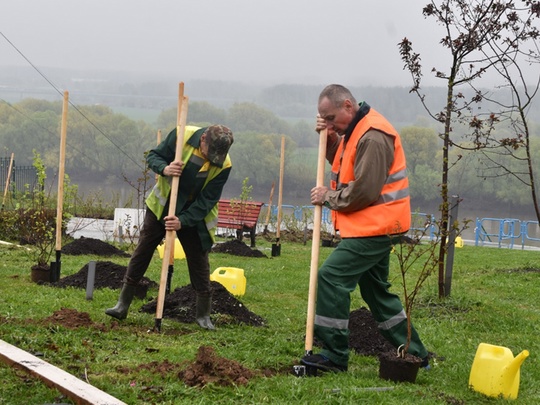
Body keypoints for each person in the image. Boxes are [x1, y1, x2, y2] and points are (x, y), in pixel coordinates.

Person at [300, 84, 429, 372]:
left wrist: (328, 197)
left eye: (332, 118)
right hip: (370, 225)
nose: (330, 123)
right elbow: (344, 164)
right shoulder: (354, 130)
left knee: (331, 278)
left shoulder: (373, 135)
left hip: (377, 226)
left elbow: (365, 191)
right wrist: (330, 137)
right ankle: (415, 353)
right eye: (325, 119)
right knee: (376, 292)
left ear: (348, 105)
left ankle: (334, 356)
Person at [105, 124, 234, 330]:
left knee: (199, 261)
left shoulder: (224, 165)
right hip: (163, 206)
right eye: (211, 153)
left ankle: (203, 316)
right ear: (203, 140)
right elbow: (154, 156)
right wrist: (165, 168)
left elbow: (207, 200)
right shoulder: (182, 135)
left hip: (193, 215)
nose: (213, 159)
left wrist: (183, 220)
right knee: (143, 251)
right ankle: (122, 304)